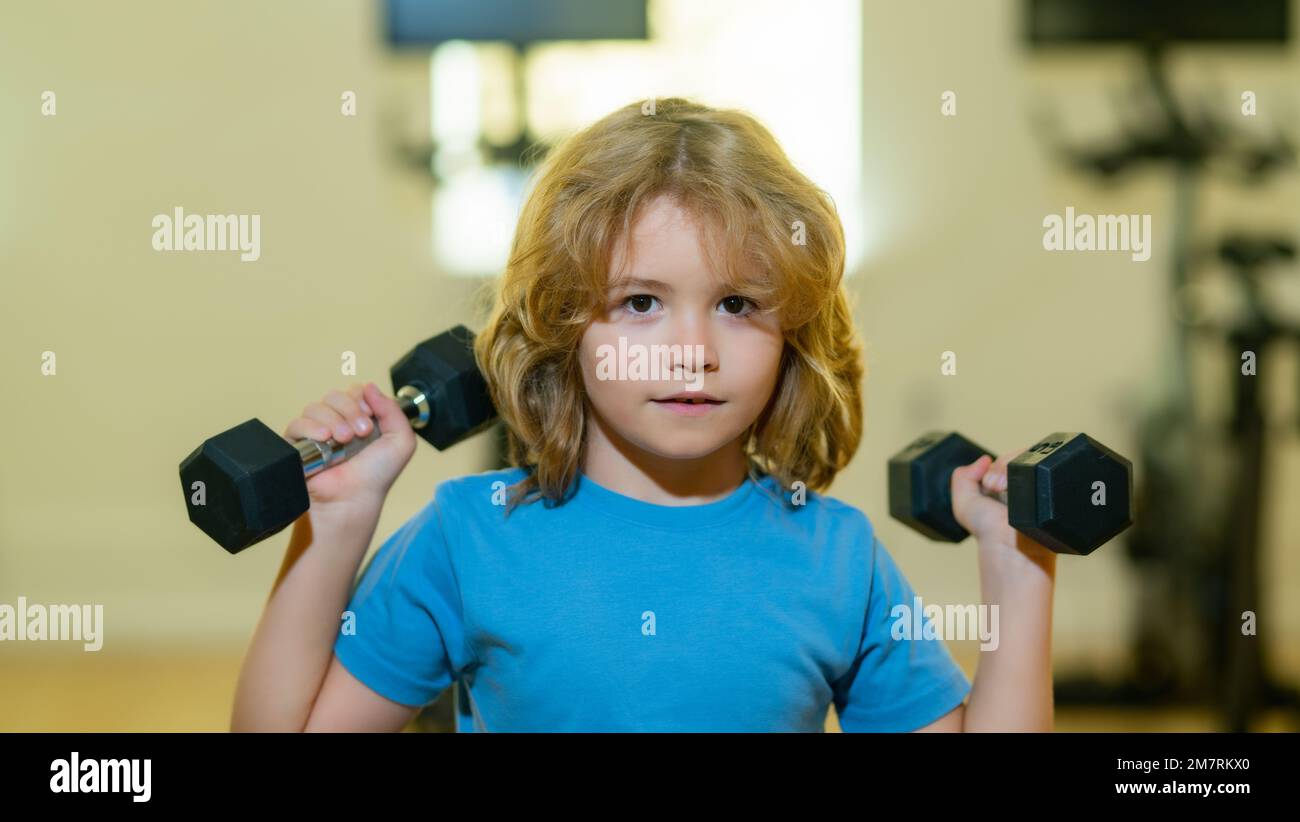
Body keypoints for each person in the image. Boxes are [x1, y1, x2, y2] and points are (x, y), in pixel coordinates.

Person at [230, 97, 1056, 732]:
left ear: (793, 336)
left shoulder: (838, 557)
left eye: (736, 303)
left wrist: (1019, 566)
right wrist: (335, 528)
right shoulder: (466, 540)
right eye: (639, 303)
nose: (691, 349)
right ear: (559, 322)